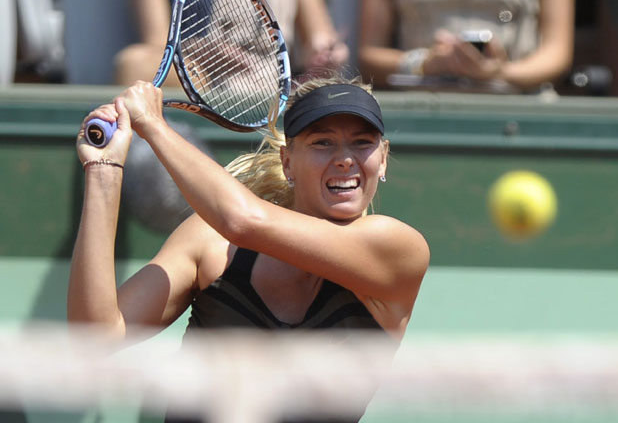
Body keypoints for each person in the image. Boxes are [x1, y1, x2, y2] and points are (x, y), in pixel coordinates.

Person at [68, 75, 430, 421]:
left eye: (362, 142)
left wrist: (152, 124)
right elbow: (96, 338)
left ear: (383, 158)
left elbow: (243, 221)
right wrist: (103, 168)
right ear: (288, 162)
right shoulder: (209, 242)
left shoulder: (399, 250)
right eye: (322, 142)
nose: (345, 159)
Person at [114, 0, 349, 87]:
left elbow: (322, 40)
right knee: (134, 65)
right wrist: (206, 51)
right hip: (199, 74)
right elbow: (157, 44)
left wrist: (328, 55)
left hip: (273, 82)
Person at [358, 0, 575, 93]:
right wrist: (425, 63)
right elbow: (369, 56)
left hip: (519, 106)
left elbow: (556, 55)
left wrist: (500, 72)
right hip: (422, 109)